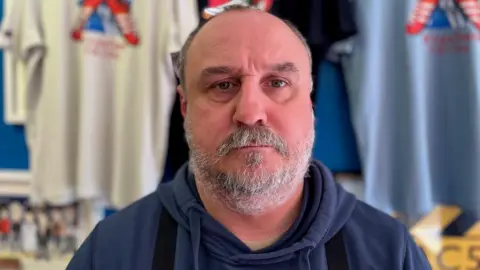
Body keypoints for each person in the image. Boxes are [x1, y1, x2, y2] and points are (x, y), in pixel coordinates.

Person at [66, 4, 431, 270]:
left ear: (309, 101)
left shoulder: (388, 253)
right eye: (223, 85)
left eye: (277, 83)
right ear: (185, 106)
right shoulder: (112, 252)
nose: (250, 112)